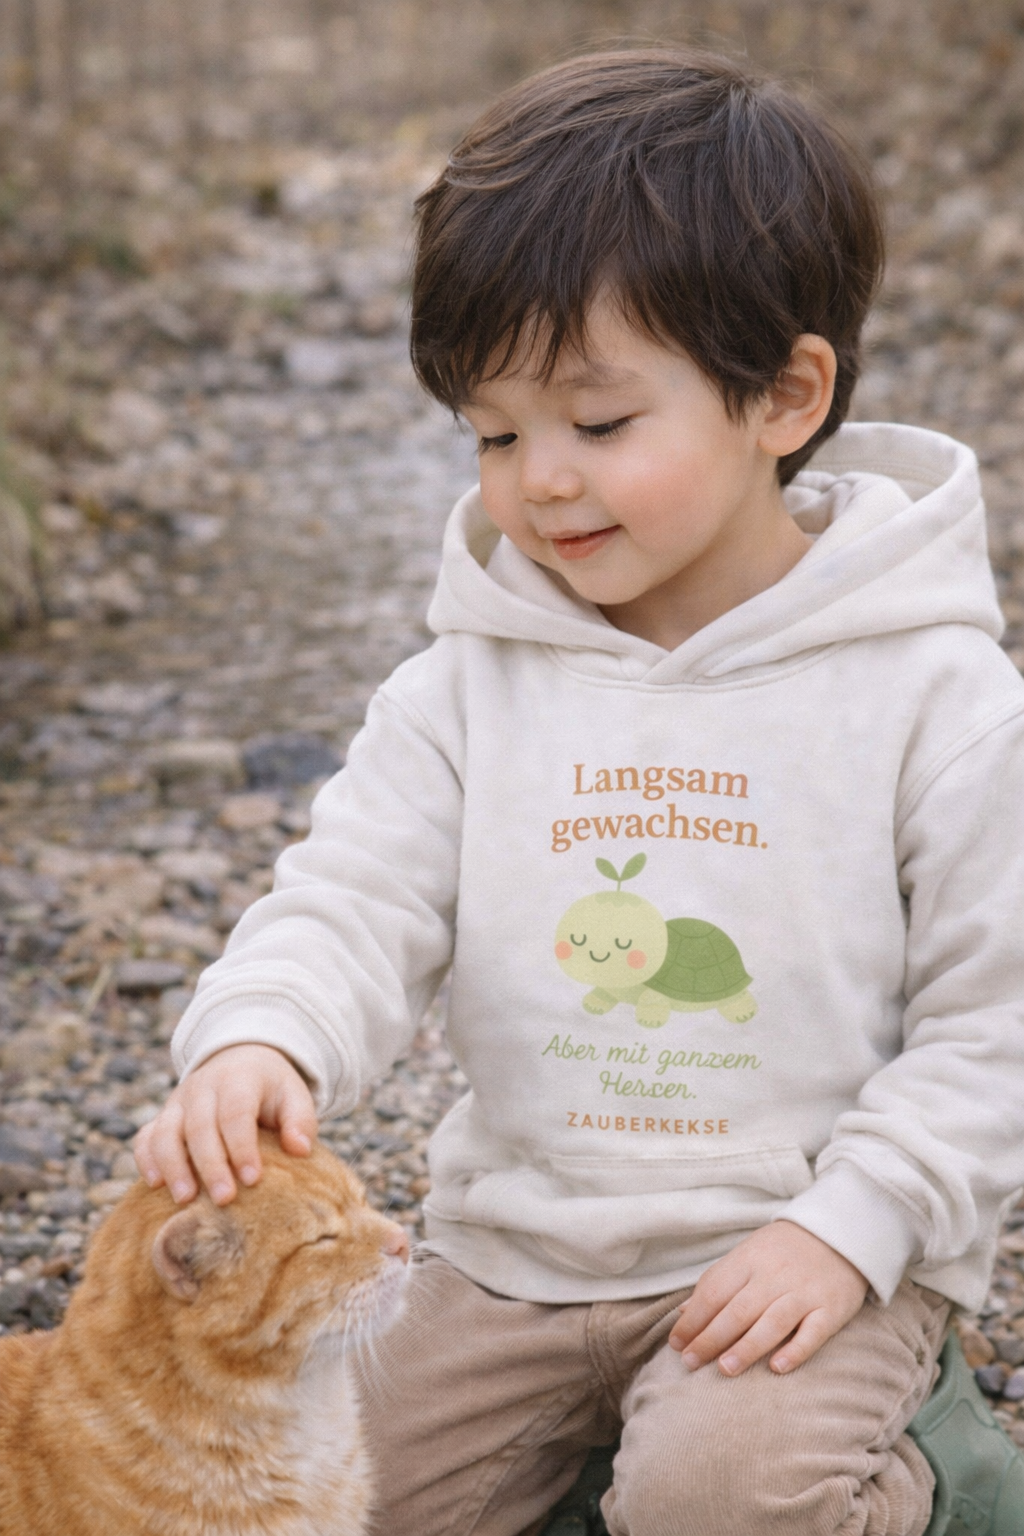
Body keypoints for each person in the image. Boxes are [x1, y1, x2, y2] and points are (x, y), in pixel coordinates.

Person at [135, 49, 1024, 1536]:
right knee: (302, 1498)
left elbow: (996, 1017)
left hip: (795, 1266)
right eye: (494, 433)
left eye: (599, 425)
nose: (540, 481)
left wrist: (857, 1229)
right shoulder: (473, 682)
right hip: (510, 1258)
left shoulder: (933, 696)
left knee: (723, 1498)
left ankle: (941, 1476)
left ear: (784, 397)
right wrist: (262, 1038)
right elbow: (353, 898)